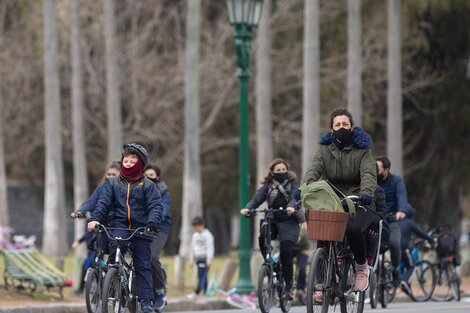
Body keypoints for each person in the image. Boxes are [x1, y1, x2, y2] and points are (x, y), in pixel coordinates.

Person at [300, 108, 377, 292]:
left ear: (352, 127)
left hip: (359, 199)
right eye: (337, 124)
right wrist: (304, 188)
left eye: (345, 124)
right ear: (331, 129)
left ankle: (360, 267)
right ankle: (321, 282)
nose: (341, 127)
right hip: (332, 199)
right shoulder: (324, 149)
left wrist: (366, 193)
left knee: (353, 228)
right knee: (322, 231)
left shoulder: (363, 149)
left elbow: (368, 173)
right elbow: (313, 170)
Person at [88, 143, 164, 313]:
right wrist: (95, 219)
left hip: (142, 228)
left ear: (140, 163)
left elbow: (156, 206)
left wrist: (152, 223)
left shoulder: (148, 185)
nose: (128, 162)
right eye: (126, 159)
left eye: (133, 159)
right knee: (115, 250)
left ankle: (146, 301)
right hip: (120, 225)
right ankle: (112, 283)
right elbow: (103, 204)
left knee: (143, 264)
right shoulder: (112, 183)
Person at [241, 158, 301, 300]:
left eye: (283, 169)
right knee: (262, 237)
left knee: (286, 248)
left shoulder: (293, 184)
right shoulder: (268, 186)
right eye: (278, 170)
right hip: (272, 218)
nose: (281, 172)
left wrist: (292, 206)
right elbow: (257, 199)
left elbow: (295, 197)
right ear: (272, 172)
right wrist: (248, 208)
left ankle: (288, 286)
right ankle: (269, 263)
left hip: (289, 220)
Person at [70, 161, 121, 296]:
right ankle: (99, 284)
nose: (110, 176)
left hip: (119, 227)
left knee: (115, 256)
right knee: (97, 253)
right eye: (108, 174)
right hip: (103, 226)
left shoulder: (125, 187)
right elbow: (92, 202)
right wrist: (80, 211)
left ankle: (116, 282)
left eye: (113, 174)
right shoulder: (102, 187)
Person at [376, 156, 414, 287]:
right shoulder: (371, 180)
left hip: (392, 218)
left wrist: (402, 211)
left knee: (394, 243)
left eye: (379, 169)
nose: (376, 171)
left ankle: (395, 268)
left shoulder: (397, 181)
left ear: (386, 170)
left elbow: (402, 196)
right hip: (376, 218)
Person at [143, 164, 172, 312]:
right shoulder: (138, 188)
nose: (148, 178)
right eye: (146, 175)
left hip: (159, 229)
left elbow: (164, 210)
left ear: (158, 177)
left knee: (152, 256)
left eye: (152, 176)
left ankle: (160, 291)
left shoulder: (164, 191)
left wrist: (154, 220)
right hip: (140, 227)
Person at [398, 210, 434, 292]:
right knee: (411, 266)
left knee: (399, 263)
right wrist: (431, 239)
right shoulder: (409, 222)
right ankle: (405, 282)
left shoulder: (396, 221)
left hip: (392, 246)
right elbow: (421, 232)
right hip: (403, 247)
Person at [187, 216, 214, 301]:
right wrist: (191, 259)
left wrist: (209, 259)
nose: (196, 229)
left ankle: (196, 293)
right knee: (203, 277)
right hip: (197, 259)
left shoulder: (208, 235)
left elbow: (210, 247)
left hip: (204, 258)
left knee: (201, 276)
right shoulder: (195, 235)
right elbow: (192, 248)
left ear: (201, 225)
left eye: (197, 227)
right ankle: (207, 293)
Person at [293, 223, 309, 304]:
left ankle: (301, 289)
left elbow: (306, 244)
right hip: (291, 249)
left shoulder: (303, 230)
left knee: (302, 269)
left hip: (302, 250)